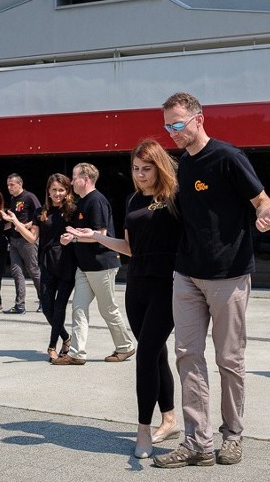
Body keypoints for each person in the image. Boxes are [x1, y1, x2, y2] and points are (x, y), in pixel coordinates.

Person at [153, 92, 270, 469]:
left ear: (198, 119)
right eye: (167, 125)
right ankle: (197, 442)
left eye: (177, 123)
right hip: (187, 274)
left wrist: (266, 217)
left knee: (229, 359)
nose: (172, 132)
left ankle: (233, 435)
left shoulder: (228, 157)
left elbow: (262, 201)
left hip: (229, 274)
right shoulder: (181, 168)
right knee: (187, 355)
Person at [67, 140, 181, 459]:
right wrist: (97, 237)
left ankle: (142, 431)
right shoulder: (131, 200)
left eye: (147, 169)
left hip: (168, 286)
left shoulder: (174, 197)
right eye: (136, 169)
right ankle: (169, 419)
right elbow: (130, 248)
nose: (141, 175)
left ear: (159, 167)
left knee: (145, 354)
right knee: (156, 353)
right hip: (137, 286)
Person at [53, 163, 135, 365]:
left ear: (86, 179)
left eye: (74, 177)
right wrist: (71, 236)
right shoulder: (83, 202)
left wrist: (73, 238)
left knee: (107, 308)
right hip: (85, 266)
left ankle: (125, 347)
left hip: (101, 265)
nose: (71, 182)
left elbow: (101, 235)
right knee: (78, 308)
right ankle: (76, 353)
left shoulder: (96, 201)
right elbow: (82, 234)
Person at [3, 174, 76, 361]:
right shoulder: (41, 212)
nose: (58, 194)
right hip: (47, 262)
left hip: (67, 263)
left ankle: (52, 346)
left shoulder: (73, 210)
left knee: (59, 307)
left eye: (61, 190)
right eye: (54, 190)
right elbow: (32, 238)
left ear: (67, 191)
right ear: (48, 192)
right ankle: (66, 338)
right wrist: (16, 223)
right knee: (47, 308)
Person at [4, 174, 43, 314]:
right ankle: (20, 305)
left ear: (20, 184)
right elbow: (14, 220)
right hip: (14, 240)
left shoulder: (29, 197)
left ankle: (44, 300)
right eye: (8, 185)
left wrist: (27, 225)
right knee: (16, 271)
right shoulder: (13, 199)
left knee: (33, 270)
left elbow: (41, 215)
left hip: (27, 240)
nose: (9, 188)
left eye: (12, 185)